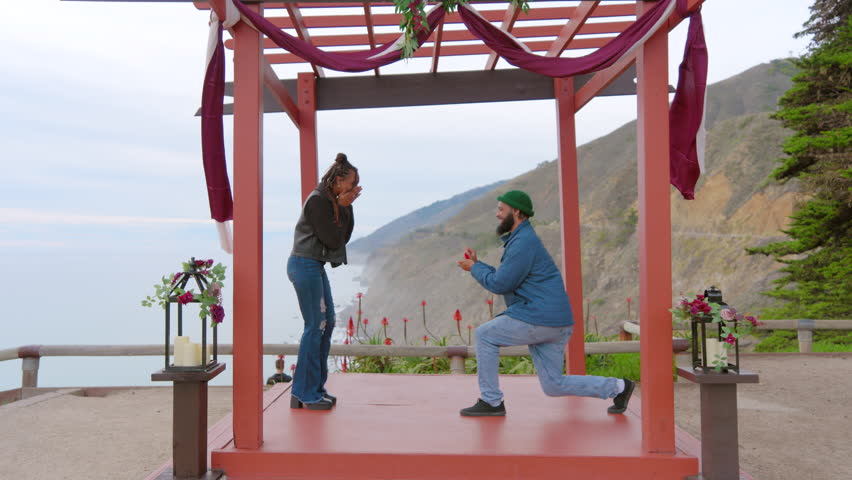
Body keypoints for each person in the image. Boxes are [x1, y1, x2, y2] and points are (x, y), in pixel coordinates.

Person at [456, 190, 634, 417]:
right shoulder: (522, 240)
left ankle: (491, 402)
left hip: (539, 318)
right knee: (554, 385)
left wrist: (474, 268)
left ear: (516, 211)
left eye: (501, 209)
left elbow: (500, 285)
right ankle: (619, 387)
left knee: (485, 335)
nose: (497, 214)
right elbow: (506, 279)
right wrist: (478, 264)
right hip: (555, 322)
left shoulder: (523, 243)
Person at [287, 153, 362, 410]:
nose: (354, 188)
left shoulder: (332, 201)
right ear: (338, 180)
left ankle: (313, 388)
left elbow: (344, 237)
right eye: (352, 183)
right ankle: (305, 393)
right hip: (303, 265)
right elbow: (331, 239)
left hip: (314, 266)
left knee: (327, 323)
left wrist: (347, 206)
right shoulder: (319, 202)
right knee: (315, 325)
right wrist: (342, 206)